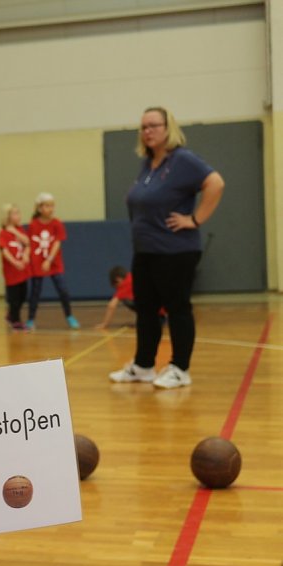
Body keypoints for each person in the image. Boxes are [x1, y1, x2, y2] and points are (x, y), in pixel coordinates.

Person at [109, 106, 224, 389]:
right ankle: (144, 366)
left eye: (154, 125)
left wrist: (195, 219)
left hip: (175, 251)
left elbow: (215, 183)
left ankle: (180, 369)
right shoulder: (148, 165)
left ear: (167, 127)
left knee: (177, 309)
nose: (148, 131)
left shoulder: (182, 160)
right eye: (144, 127)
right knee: (146, 310)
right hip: (146, 251)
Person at [26, 192, 80, 330]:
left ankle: (69, 316)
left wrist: (49, 260)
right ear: (39, 208)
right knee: (35, 292)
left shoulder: (57, 223)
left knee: (63, 290)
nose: (51, 209)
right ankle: (31, 320)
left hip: (54, 263)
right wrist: (31, 259)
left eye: (52, 206)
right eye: (47, 206)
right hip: (38, 262)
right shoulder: (33, 225)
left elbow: (57, 243)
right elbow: (30, 244)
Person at [0, 204, 31, 331]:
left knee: (23, 295)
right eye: (15, 213)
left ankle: (11, 314)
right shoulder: (3, 233)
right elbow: (4, 250)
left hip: (22, 270)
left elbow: (27, 243)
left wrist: (26, 256)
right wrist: (14, 262)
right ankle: (16, 320)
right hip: (12, 272)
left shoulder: (20, 230)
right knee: (14, 298)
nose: (18, 216)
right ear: (8, 217)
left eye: (19, 213)